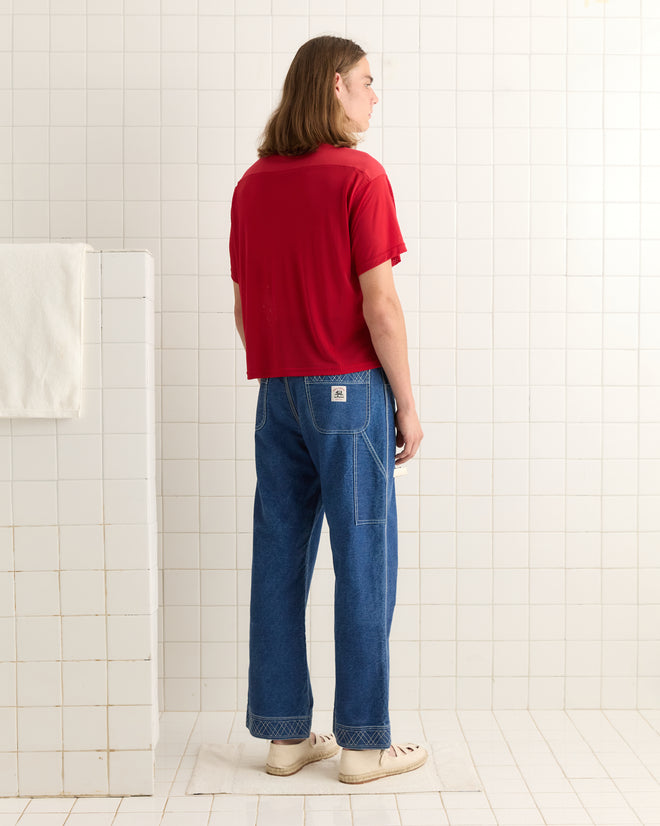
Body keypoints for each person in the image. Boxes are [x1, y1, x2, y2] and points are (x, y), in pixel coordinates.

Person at [230, 35, 425, 784]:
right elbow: (381, 305)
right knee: (364, 563)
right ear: (336, 84)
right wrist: (406, 402)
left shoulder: (253, 184)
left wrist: (286, 369)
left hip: (277, 393)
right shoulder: (359, 175)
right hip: (349, 390)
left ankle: (284, 739)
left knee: (280, 559)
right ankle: (365, 747)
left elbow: (246, 310)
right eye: (369, 82)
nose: (375, 96)